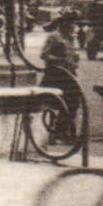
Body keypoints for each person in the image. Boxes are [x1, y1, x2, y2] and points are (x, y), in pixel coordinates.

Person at [40, 13, 84, 142]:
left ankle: (62, 131)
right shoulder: (54, 37)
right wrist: (60, 60)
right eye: (70, 23)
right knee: (56, 103)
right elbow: (44, 55)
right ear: (63, 23)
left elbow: (74, 55)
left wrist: (75, 60)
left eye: (73, 24)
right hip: (55, 76)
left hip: (70, 76)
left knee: (74, 103)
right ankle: (57, 132)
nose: (72, 26)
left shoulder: (72, 38)